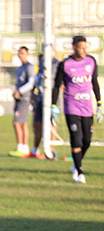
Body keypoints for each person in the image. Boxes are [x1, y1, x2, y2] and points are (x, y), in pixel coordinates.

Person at [51, 35, 102, 183]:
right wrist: (53, 106)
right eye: (81, 48)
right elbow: (56, 86)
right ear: (74, 48)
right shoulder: (65, 64)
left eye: (86, 47)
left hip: (87, 107)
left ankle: (76, 163)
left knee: (87, 140)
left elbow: (94, 82)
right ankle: (79, 171)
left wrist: (99, 103)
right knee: (76, 140)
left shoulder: (91, 61)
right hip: (71, 107)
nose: (84, 50)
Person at [30, 53, 60, 159]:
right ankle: (34, 151)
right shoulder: (41, 65)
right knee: (36, 124)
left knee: (51, 124)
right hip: (40, 98)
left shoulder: (57, 64)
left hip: (51, 98)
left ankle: (50, 151)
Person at [9, 46, 35, 158]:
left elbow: (31, 83)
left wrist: (19, 91)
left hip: (24, 98)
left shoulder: (29, 67)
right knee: (23, 123)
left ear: (27, 54)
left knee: (17, 122)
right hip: (18, 97)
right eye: (19, 53)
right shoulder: (20, 68)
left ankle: (21, 147)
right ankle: (24, 147)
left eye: (23, 53)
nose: (20, 55)